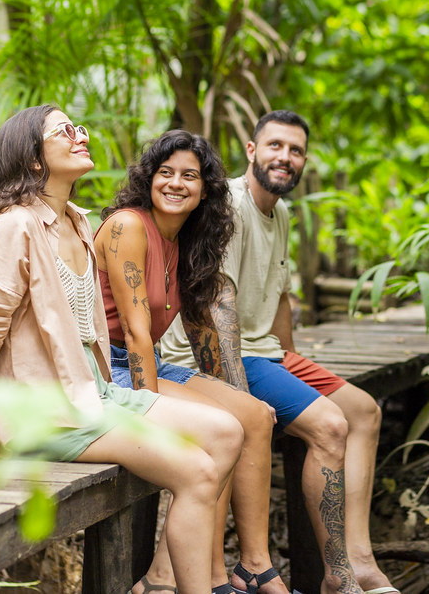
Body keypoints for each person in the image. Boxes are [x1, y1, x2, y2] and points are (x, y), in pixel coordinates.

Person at [0, 105, 244, 594]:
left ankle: (164, 578)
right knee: (196, 470)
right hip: (41, 412)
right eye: (64, 131)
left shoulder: (78, 223)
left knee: (227, 432)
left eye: (79, 128)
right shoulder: (12, 227)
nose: (80, 135)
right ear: (34, 159)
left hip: (92, 390)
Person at [160, 110, 399, 594]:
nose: (284, 157)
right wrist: (236, 394)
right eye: (274, 146)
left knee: (364, 411)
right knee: (331, 426)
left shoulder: (281, 211)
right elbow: (214, 302)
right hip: (221, 354)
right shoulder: (226, 202)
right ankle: (336, 575)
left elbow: (280, 294)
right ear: (252, 150)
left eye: (294, 150)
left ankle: (360, 560)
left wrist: (290, 357)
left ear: (304, 159)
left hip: (265, 349)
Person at [95, 130, 292, 594]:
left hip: (151, 361)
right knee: (223, 426)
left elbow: (203, 330)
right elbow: (137, 331)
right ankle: (189, 579)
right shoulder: (128, 226)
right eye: (166, 173)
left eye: (190, 175)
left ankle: (251, 567)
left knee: (255, 416)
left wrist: (230, 389)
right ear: (149, 179)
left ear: (206, 188)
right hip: (112, 367)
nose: (176, 183)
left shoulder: (184, 237)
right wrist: (149, 409)